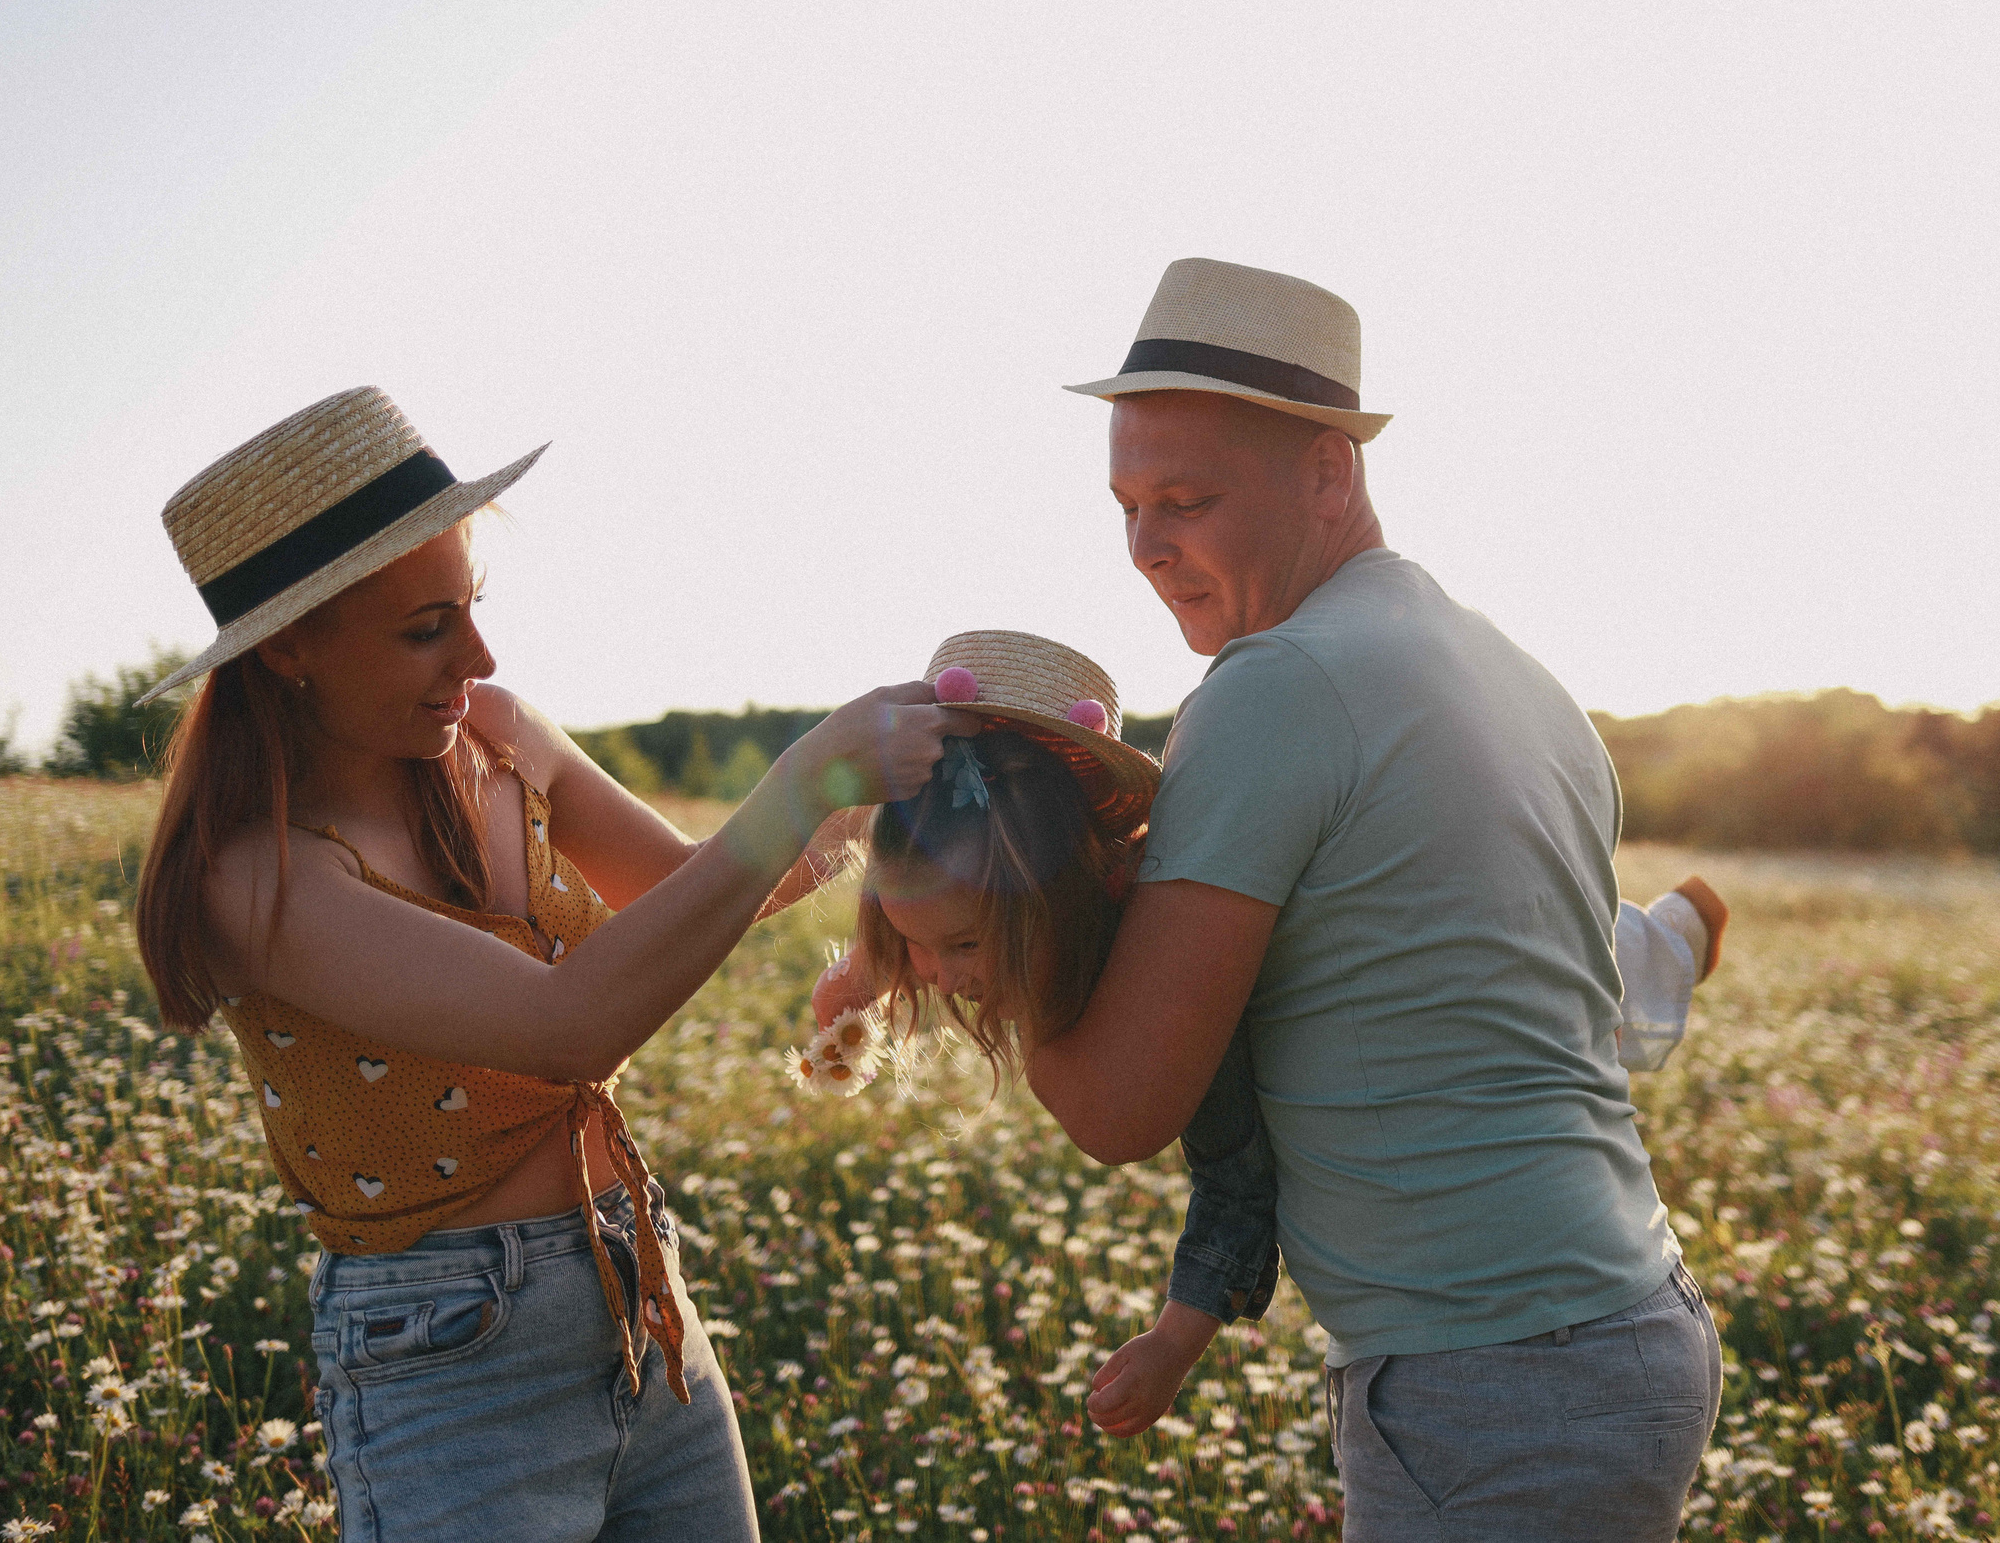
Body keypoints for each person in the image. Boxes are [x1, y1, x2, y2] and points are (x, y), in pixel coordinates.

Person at [129, 386, 970, 1543]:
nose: (478, 653)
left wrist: (872, 802)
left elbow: (693, 889)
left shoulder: (497, 737)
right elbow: (571, 1027)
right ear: (289, 649)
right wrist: (802, 779)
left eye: (472, 606)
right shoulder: (258, 880)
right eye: (426, 627)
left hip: (638, 1292)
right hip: (443, 1360)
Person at [1023, 259, 1727, 1540]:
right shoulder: (1522, 678)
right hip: (1621, 1331)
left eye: (1187, 500)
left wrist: (999, 930)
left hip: (1494, 1375)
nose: (1147, 547)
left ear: (1329, 473)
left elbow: (1119, 1107)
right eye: (1126, 504)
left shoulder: (1275, 685)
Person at [812, 633, 1727, 1439]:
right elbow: (931, 920)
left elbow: (1237, 1180)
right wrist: (868, 973)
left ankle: (1670, 935)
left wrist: (1175, 1339)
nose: (942, 978)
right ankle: (1658, 937)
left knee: (1587, 977)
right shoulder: (1015, 904)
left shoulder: (1165, 974)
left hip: (1435, 958)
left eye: (961, 948)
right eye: (916, 947)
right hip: (1430, 919)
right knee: (1555, 954)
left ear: (1044, 906)